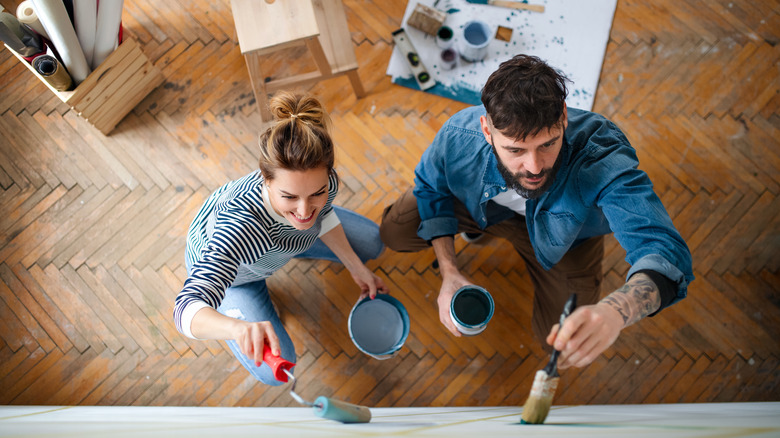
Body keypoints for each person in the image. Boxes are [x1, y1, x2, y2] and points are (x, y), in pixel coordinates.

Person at [380, 55, 693, 369]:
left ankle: (484, 232)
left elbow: (663, 251)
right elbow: (431, 188)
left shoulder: (600, 153)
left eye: (548, 144)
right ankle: (479, 227)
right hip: (486, 209)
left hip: (569, 240)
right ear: (486, 130)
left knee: (560, 342)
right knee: (395, 230)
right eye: (515, 150)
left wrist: (616, 309)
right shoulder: (459, 136)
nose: (534, 168)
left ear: (563, 118)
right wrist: (448, 269)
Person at [174, 91, 387, 385]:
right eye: (289, 196)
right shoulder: (237, 228)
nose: (304, 211)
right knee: (278, 371)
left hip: (280, 246)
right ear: (265, 179)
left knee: (373, 243)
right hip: (240, 275)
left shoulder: (324, 184)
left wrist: (354, 265)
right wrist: (236, 328)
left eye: (317, 193)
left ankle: (298, 245)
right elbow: (185, 310)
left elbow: (321, 216)